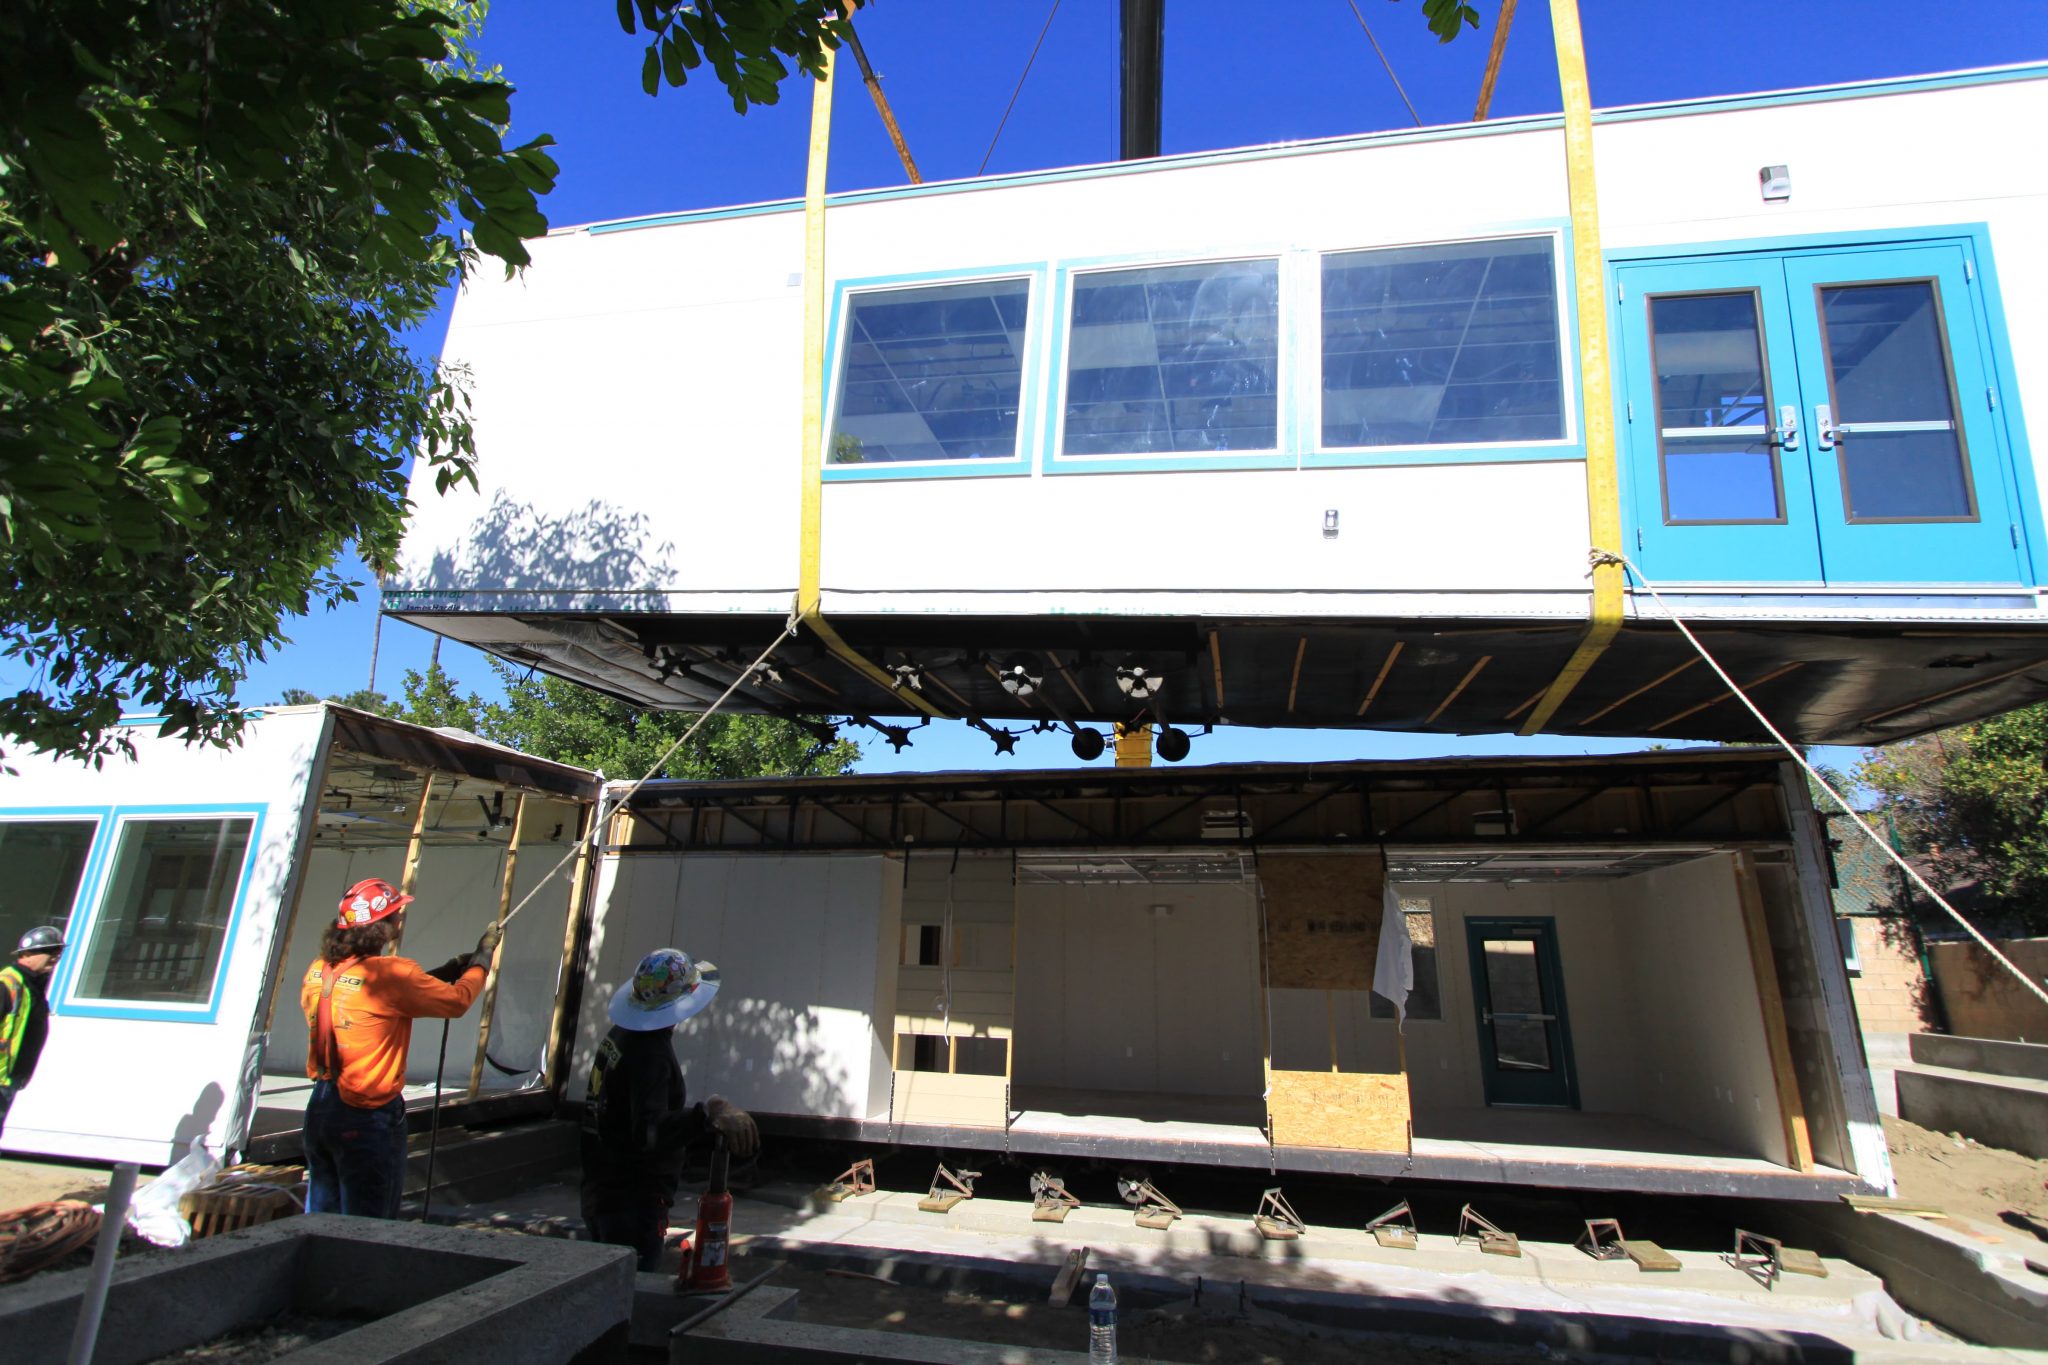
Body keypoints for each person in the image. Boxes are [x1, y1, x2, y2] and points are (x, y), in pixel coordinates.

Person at [300, 876, 500, 1218]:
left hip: (320, 1108)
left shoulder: (320, 971)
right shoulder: (392, 974)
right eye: (396, 915)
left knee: (322, 1219)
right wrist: (482, 960)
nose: (401, 919)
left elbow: (381, 1000)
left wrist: (448, 970)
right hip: (366, 1115)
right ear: (381, 926)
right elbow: (456, 1001)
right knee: (368, 1225)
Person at [581, 947, 758, 1270]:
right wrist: (707, 1115)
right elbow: (649, 1131)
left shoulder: (622, 1035)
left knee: (606, 1288)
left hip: (602, 1188)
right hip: (630, 1199)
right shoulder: (650, 1052)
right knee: (628, 1292)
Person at [0, 926, 64, 1136]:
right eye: (50, 951)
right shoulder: (7, 984)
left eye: (58, 952)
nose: (56, 957)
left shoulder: (32, 986)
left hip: (10, 1079)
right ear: (26, 954)